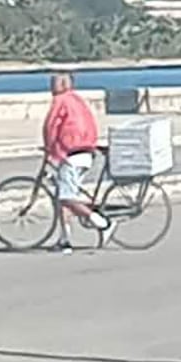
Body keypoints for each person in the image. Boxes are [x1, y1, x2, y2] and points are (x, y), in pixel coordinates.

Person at [42, 71, 110, 250]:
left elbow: (50, 125)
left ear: (65, 84)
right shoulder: (78, 100)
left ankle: (102, 223)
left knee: (66, 197)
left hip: (72, 153)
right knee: (64, 195)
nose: (51, 86)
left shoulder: (61, 100)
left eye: (55, 82)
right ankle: (64, 241)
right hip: (86, 151)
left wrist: (49, 147)